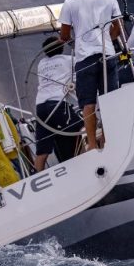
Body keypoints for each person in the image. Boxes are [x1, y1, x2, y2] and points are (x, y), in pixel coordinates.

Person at [59, 0, 121, 150]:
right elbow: (118, 28)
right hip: (107, 55)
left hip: (85, 59)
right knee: (109, 101)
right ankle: (110, 141)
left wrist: (75, 41)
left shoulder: (70, 3)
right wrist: (107, 40)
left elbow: (64, 35)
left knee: (88, 104)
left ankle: (93, 145)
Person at [34, 37, 83, 171]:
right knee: (81, 127)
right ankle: (84, 162)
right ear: (61, 48)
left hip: (40, 107)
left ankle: (38, 176)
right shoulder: (68, 60)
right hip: (57, 105)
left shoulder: (41, 63)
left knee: (42, 151)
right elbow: (82, 70)